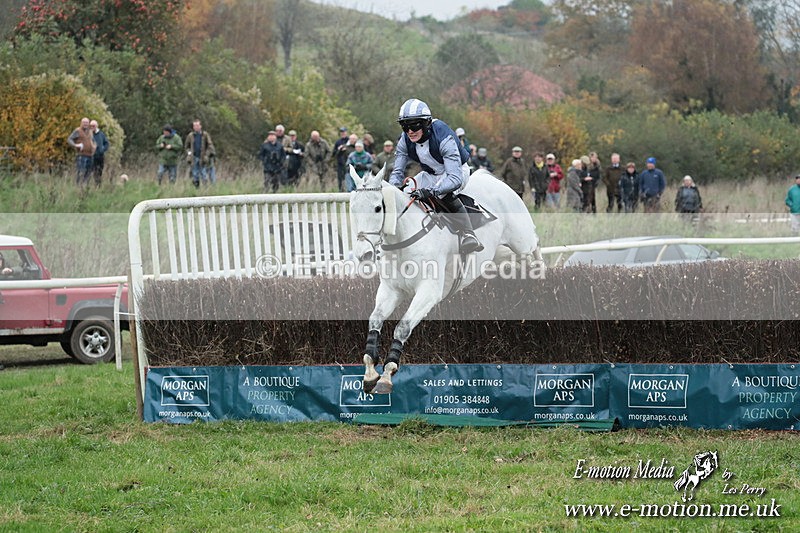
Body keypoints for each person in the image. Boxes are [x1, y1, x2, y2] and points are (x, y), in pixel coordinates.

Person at [389, 98, 482, 254]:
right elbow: (397, 173)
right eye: (405, 126)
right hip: (430, 173)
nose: (410, 131)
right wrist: (393, 187)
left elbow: (454, 179)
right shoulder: (405, 139)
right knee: (404, 193)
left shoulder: (444, 137)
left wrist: (432, 191)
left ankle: (468, 233)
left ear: (426, 123)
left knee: (443, 194)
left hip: (456, 171)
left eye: (414, 125)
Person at [184, 119, 216, 186]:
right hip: (194, 157)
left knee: (204, 174)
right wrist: (189, 153)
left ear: (200, 126)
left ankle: (205, 188)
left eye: (197, 125)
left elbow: (210, 146)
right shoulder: (190, 135)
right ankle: (196, 188)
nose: (196, 127)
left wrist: (206, 155)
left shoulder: (205, 135)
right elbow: (186, 147)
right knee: (195, 174)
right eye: (195, 126)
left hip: (202, 158)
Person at [66, 117, 96, 186]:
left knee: (88, 173)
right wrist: (76, 145)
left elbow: (93, 141)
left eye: (87, 123)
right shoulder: (77, 131)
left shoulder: (90, 131)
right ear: (81, 123)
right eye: (84, 122)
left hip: (90, 155)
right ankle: (78, 187)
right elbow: (69, 139)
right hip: (81, 155)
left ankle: (85, 187)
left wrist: (94, 147)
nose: (85, 124)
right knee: (81, 172)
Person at [90, 120, 109, 186]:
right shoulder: (89, 134)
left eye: (93, 126)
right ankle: (92, 185)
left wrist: (102, 149)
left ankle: (98, 185)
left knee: (99, 171)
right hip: (92, 156)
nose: (92, 127)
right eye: (91, 126)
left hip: (100, 156)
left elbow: (106, 143)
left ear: (96, 126)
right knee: (93, 171)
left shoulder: (101, 134)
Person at [333, 126, 350, 191]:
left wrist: (346, 149)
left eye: (344, 132)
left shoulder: (350, 141)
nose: (342, 133)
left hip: (349, 163)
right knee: (340, 179)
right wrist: (339, 149)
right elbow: (334, 153)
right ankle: (340, 191)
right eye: (341, 132)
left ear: (346, 132)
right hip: (340, 163)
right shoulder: (338, 142)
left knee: (348, 178)